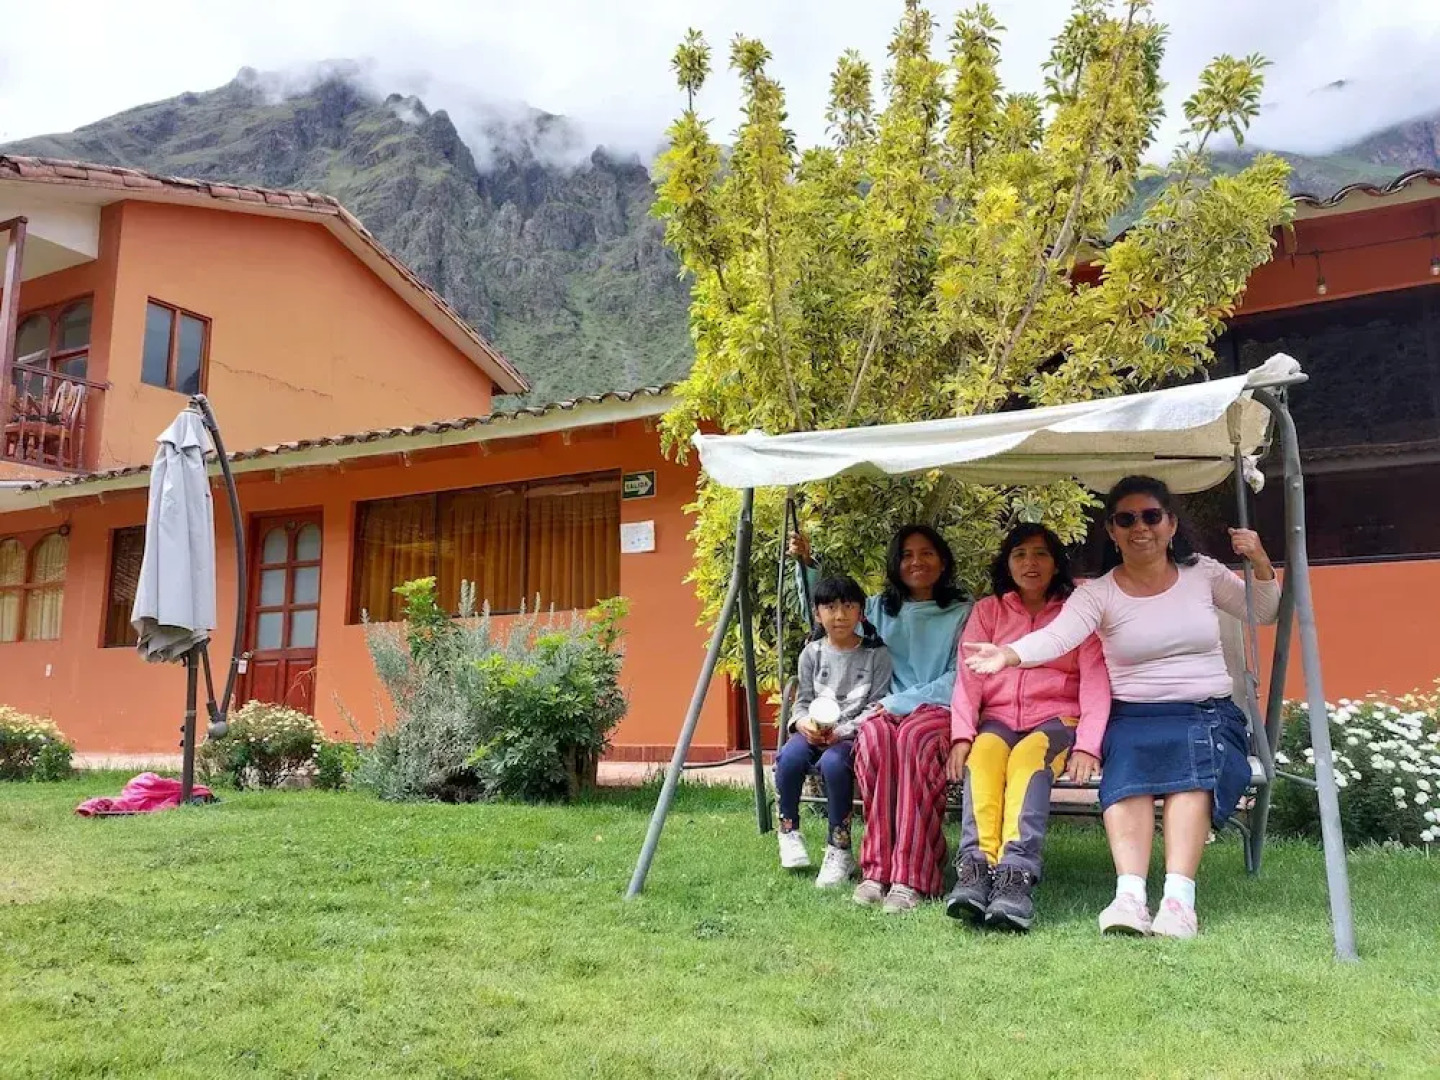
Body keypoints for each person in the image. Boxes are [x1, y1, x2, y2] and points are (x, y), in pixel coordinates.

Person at [963, 475, 1279, 940]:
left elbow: (1263, 611)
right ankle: (1129, 896)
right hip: (1132, 714)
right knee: (1126, 774)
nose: (1140, 527)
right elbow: (1059, 636)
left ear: (1171, 523)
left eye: (1152, 516)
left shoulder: (1203, 574)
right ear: (1111, 530)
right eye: (1126, 519)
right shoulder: (1099, 593)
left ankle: (1178, 900)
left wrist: (1259, 561)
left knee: (1191, 772)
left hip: (1204, 711)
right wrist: (1009, 654)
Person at [791, 524, 972, 912]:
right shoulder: (876, 609)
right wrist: (806, 566)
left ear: (942, 561)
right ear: (895, 563)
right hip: (882, 712)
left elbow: (960, 677)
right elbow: (826, 613)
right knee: (872, 739)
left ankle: (911, 876)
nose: (916, 562)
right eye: (906, 554)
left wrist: (901, 702)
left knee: (913, 740)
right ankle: (876, 870)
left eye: (926, 553)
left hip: (936, 710)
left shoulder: (962, 612)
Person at [943, 524, 1111, 932]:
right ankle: (976, 871)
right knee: (982, 761)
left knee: (1027, 763)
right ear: (1007, 563)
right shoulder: (988, 611)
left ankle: (1015, 878)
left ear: (1056, 565)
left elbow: (1095, 682)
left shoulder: (1077, 613)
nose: (1030, 563)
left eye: (1040, 554)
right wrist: (962, 735)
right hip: (997, 720)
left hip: (1055, 722)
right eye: (1019, 554)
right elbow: (968, 678)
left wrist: (1088, 744)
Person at [773, 575, 893, 888]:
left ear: (861, 612)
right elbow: (802, 703)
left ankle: (839, 848)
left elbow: (877, 706)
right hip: (814, 728)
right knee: (789, 756)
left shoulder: (876, 655)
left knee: (833, 765)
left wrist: (842, 731)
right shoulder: (811, 654)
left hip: (851, 735)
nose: (839, 615)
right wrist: (801, 724)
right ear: (817, 613)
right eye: (830, 607)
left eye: (848, 607)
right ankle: (788, 830)